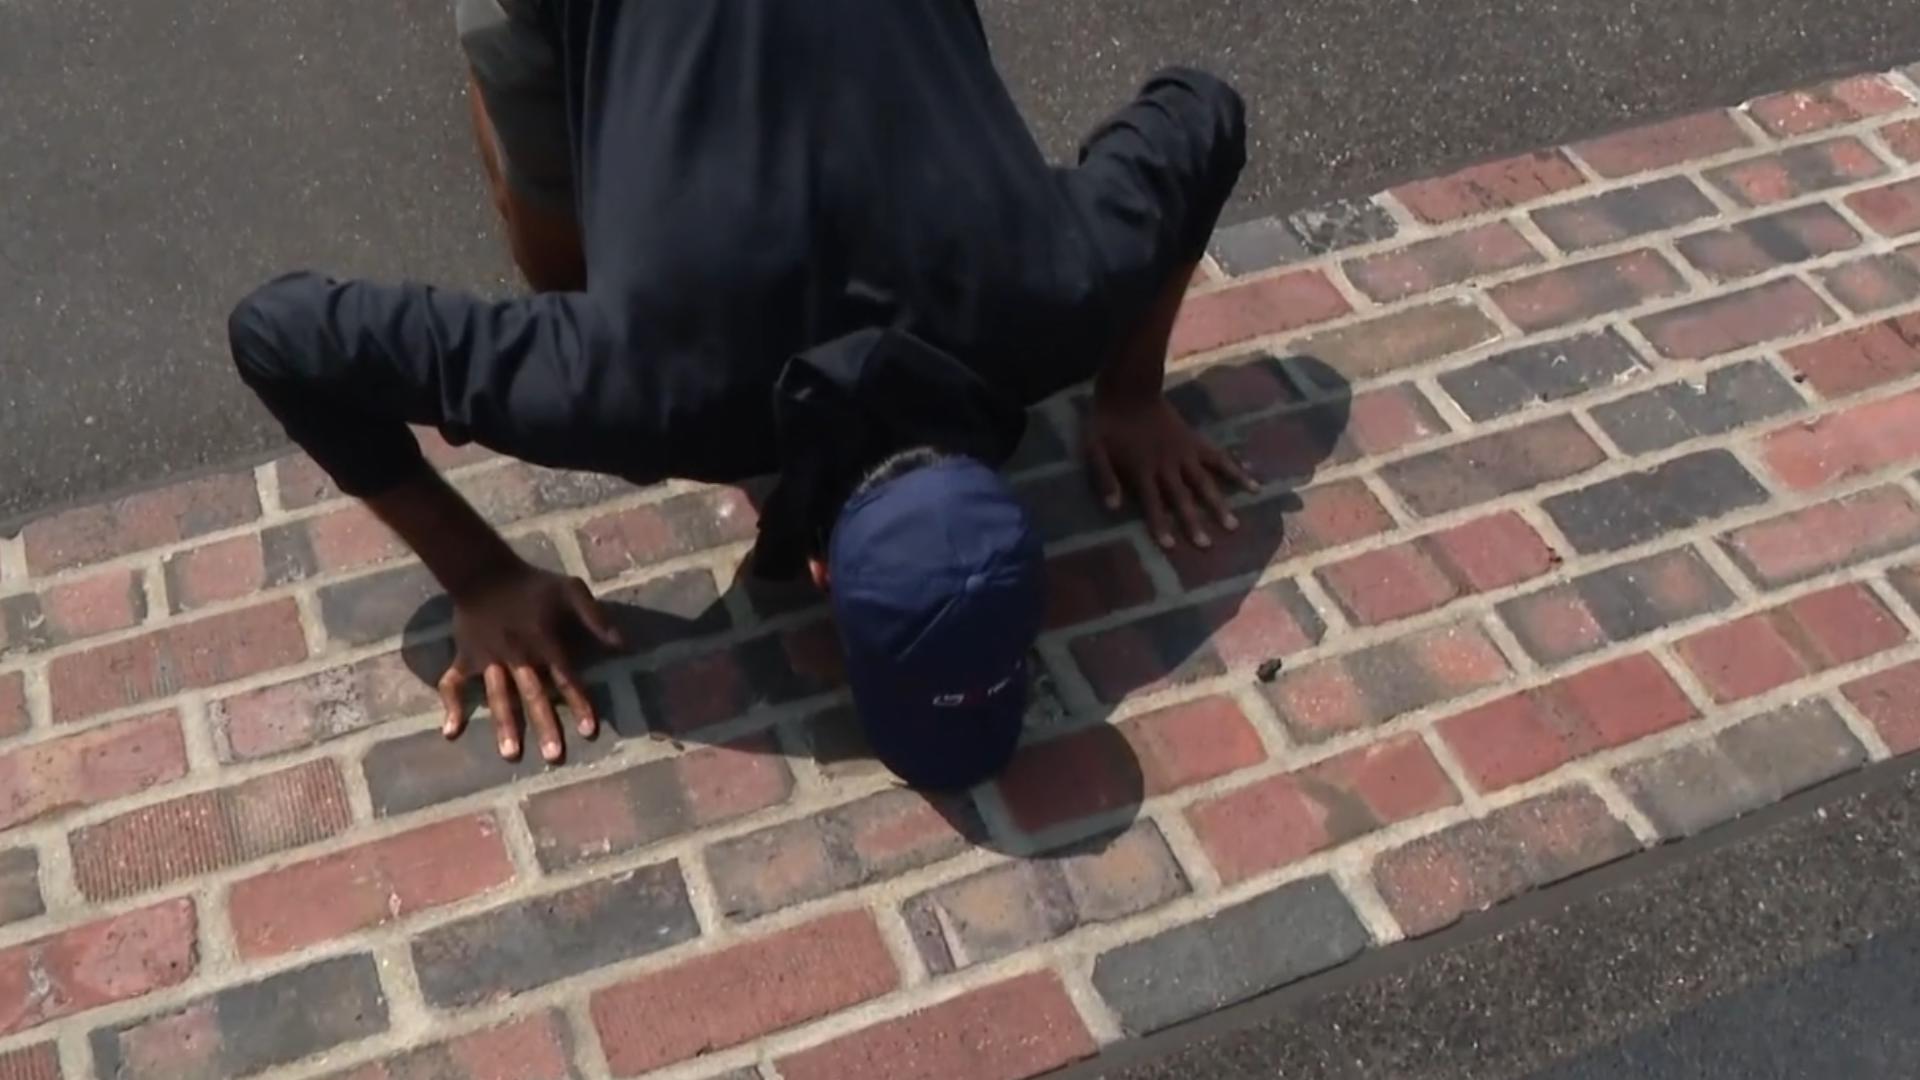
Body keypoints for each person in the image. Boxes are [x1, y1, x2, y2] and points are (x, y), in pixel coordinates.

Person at [227, 0, 1252, 790]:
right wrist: (478, 578)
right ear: (813, 564)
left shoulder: (1058, 295)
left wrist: (1126, 389)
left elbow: (1202, 111)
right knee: (556, 251)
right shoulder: (653, 385)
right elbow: (278, 333)